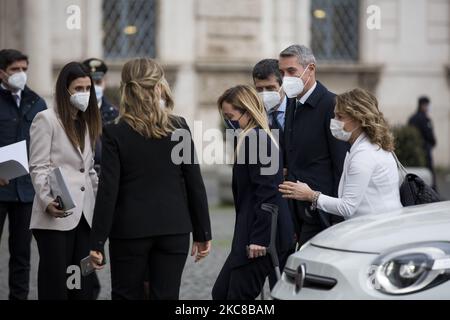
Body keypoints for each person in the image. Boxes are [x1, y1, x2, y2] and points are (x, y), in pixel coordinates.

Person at [88, 58, 212, 300]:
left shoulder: (114, 131)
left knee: (126, 295)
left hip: (130, 230)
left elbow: (108, 189)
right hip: (173, 229)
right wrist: (202, 232)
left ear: (126, 88)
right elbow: (194, 182)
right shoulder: (179, 127)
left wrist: (97, 240)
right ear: (159, 86)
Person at [212, 85, 294, 300]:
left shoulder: (256, 139)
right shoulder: (250, 137)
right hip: (252, 231)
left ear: (247, 111)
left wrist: (260, 238)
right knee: (222, 293)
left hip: (262, 237)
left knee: (236, 298)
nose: (228, 122)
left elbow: (267, 192)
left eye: (231, 116)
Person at [29, 62, 101, 300]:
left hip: (85, 217)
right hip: (56, 215)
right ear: (65, 89)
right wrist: (47, 199)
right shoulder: (46, 119)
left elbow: (88, 170)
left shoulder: (88, 121)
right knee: (55, 286)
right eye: (78, 88)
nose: (84, 94)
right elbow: (38, 166)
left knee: (83, 284)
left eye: (88, 88)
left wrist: (102, 204)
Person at [279, 88, 403, 219]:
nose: (334, 121)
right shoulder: (371, 147)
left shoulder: (364, 155)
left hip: (375, 230)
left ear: (358, 119)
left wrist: (310, 195)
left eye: (340, 116)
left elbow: (347, 207)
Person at [278, 44, 349, 246]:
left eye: (291, 71)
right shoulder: (292, 102)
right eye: (282, 72)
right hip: (295, 209)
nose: (286, 78)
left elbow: (341, 165)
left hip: (322, 212)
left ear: (310, 69)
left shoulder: (332, 105)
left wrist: (336, 219)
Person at [0, 49, 47, 300]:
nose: (20, 75)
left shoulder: (37, 102)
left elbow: (45, 144)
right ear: (1, 73)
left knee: (21, 255)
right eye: (14, 70)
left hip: (26, 192)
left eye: (24, 69)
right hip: (0, 187)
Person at [82, 58, 119, 172]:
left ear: (104, 82)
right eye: (91, 83)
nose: (95, 87)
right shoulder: (78, 111)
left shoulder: (113, 113)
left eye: (98, 83)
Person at [408, 96, 437, 190]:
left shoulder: (412, 118)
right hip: (425, 150)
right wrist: (432, 142)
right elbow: (429, 135)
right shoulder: (424, 119)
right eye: (427, 105)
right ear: (422, 105)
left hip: (414, 153)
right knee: (429, 174)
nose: (428, 107)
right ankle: (433, 193)